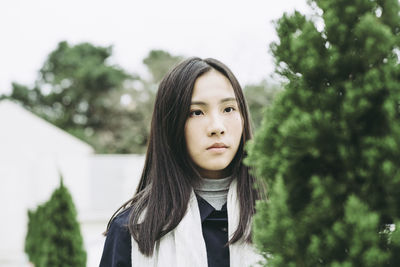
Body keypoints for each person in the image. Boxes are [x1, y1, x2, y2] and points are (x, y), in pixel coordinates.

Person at [99, 57, 265, 267]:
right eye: (196, 112)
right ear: (171, 126)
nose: (217, 127)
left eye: (228, 109)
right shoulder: (133, 232)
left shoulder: (283, 219)